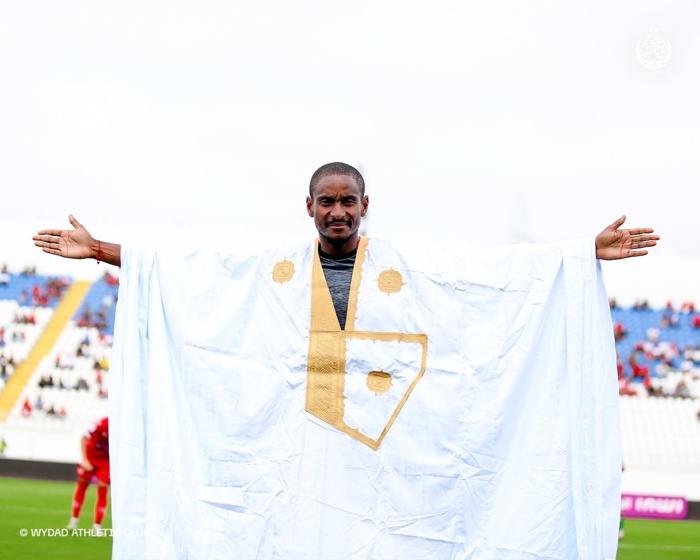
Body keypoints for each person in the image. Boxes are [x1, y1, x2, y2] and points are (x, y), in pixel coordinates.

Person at [34, 162, 659, 559]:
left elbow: (488, 277)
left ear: (365, 206)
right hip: (294, 459)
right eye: (326, 201)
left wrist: (581, 255)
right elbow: (195, 273)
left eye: (348, 201)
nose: (337, 210)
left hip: (384, 460)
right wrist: (101, 252)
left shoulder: (411, 270)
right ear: (308, 207)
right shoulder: (270, 270)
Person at [67, 416, 110, 535]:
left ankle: (97, 526)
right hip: (90, 456)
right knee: (82, 486)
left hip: (104, 460)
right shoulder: (102, 423)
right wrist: (85, 460)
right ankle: (74, 520)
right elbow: (83, 438)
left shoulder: (123, 428)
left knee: (103, 489)